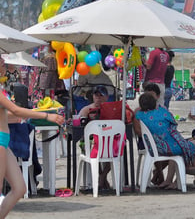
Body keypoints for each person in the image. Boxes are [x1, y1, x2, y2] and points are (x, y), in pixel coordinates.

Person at [0, 57, 64, 218]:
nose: (3, 61)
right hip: (0, 140)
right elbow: (17, 110)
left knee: (20, 188)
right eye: (0, 61)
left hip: (4, 141)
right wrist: (46, 116)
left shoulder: (2, 88)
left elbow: (8, 115)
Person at [135, 93, 195, 190]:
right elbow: (173, 123)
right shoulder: (163, 112)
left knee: (175, 155)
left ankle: (169, 181)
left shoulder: (139, 115)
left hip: (155, 148)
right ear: (154, 103)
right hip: (171, 147)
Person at [78, 85, 123, 189]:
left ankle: (102, 176)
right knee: (89, 146)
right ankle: (101, 176)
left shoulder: (113, 109)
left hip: (109, 141)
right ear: (93, 97)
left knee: (117, 146)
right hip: (93, 141)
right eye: (96, 95)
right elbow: (80, 125)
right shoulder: (86, 110)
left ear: (106, 97)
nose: (98, 98)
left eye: (101, 95)